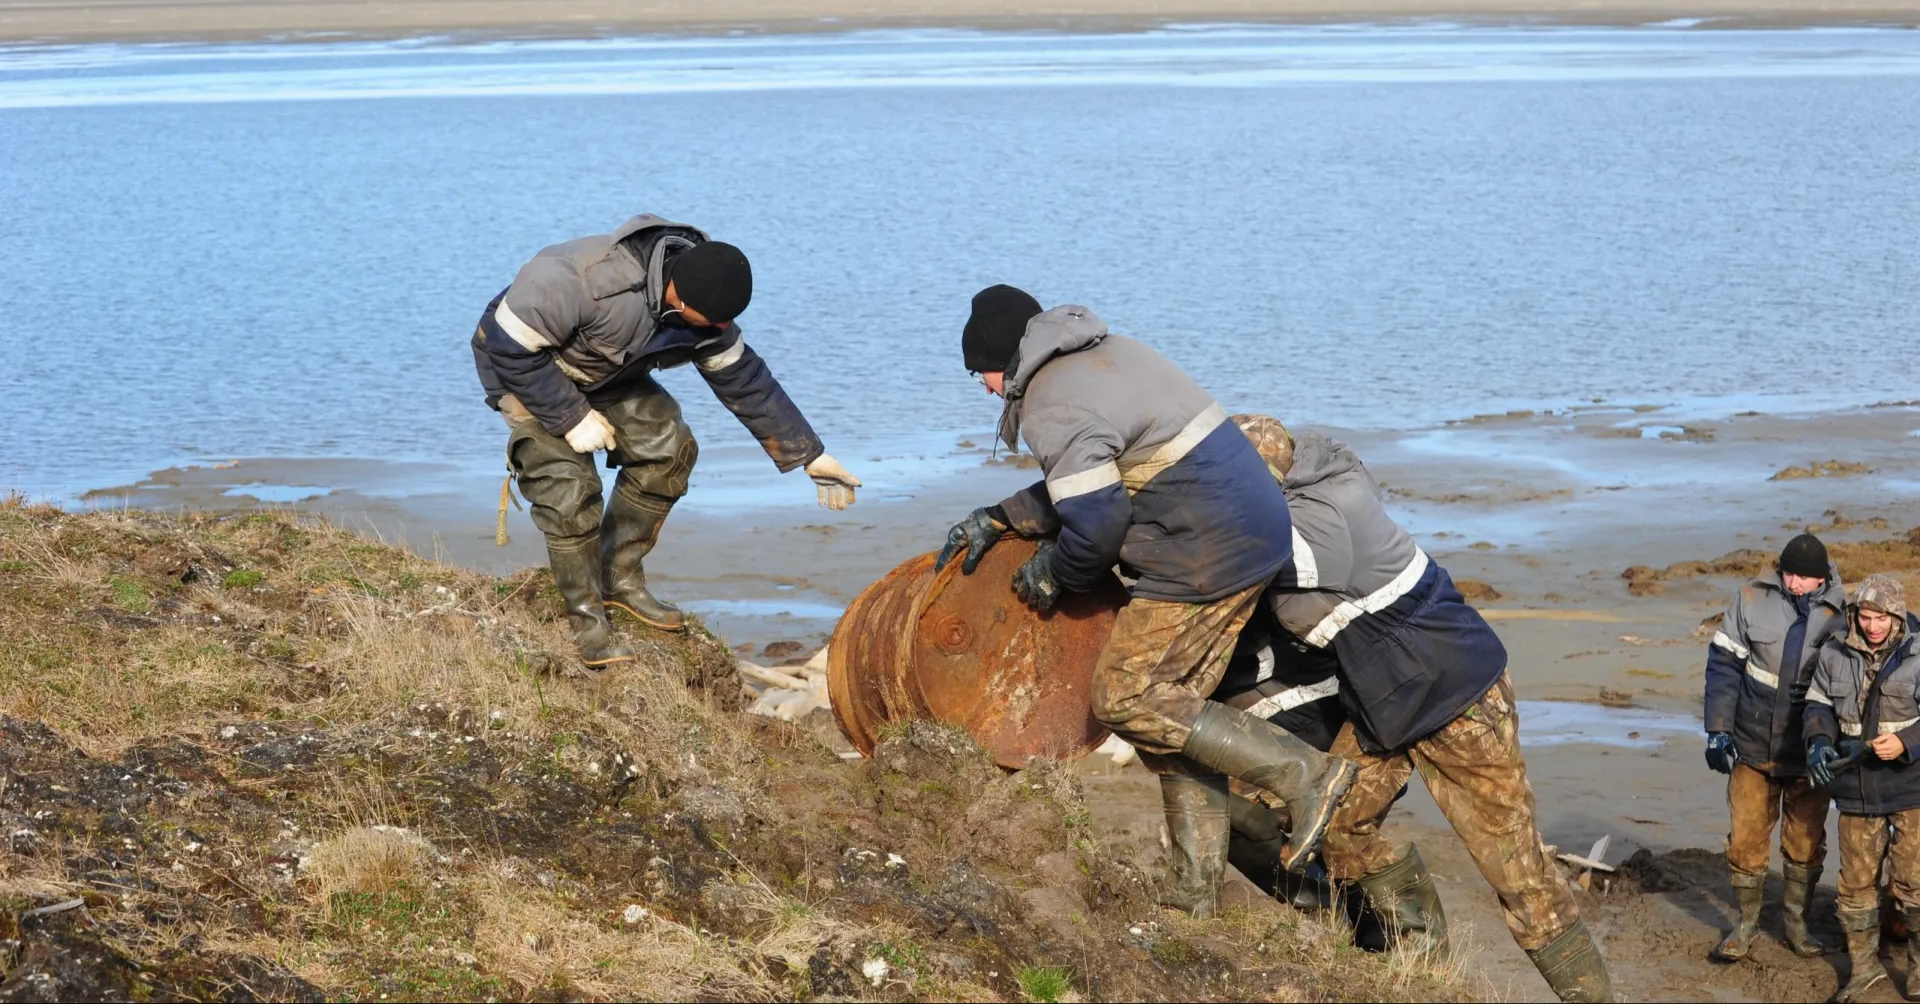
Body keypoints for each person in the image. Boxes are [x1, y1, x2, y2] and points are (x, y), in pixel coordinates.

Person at [933, 286, 1355, 918]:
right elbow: (1102, 480)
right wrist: (1001, 518)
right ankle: (1194, 892)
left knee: (1124, 696)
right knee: (1173, 716)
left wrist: (1059, 573)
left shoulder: (1050, 401)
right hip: (1250, 531)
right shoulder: (1107, 355)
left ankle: (1306, 775)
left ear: (1001, 358)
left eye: (981, 375)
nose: (988, 390)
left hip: (1206, 549)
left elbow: (1098, 522)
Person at [1224, 413, 1612, 1003]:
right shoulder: (1314, 487)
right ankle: (1421, 967)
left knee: (1522, 880)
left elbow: (1249, 558)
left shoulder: (1327, 521)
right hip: (1385, 708)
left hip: (1462, 700)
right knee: (1339, 827)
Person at [471, 214, 861, 667]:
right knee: (569, 488)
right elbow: (506, 347)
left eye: (724, 323)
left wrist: (809, 454)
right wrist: (572, 416)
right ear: (677, 294)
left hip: (607, 371)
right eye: (712, 322)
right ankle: (585, 621)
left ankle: (618, 579)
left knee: (670, 452)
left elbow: (744, 379)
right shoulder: (581, 280)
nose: (718, 330)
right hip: (525, 371)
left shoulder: (706, 311)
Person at [1701, 532, 1845, 960]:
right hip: (1752, 746)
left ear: (1821, 579)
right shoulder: (1749, 600)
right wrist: (1718, 729)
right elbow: (1723, 667)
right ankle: (1745, 923)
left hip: (1811, 756)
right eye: (1789, 573)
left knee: (1804, 843)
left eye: (1804, 577)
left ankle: (1796, 924)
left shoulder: (1844, 614)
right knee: (1745, 841)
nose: (1794, 582)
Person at [1805, 573, 1920, 1003]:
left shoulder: (1917, 654)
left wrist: (1906, 743)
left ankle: (1917, 971)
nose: (1872, 626)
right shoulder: (1834, 653)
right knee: (1855, 887)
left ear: (1896, 617)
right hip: (1855, 788)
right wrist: (1817, 741)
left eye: (1881, 618)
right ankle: (1865, 970)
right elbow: (1817, 704)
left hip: (1911, 786)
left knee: (1914, 882)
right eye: (1866, 616)